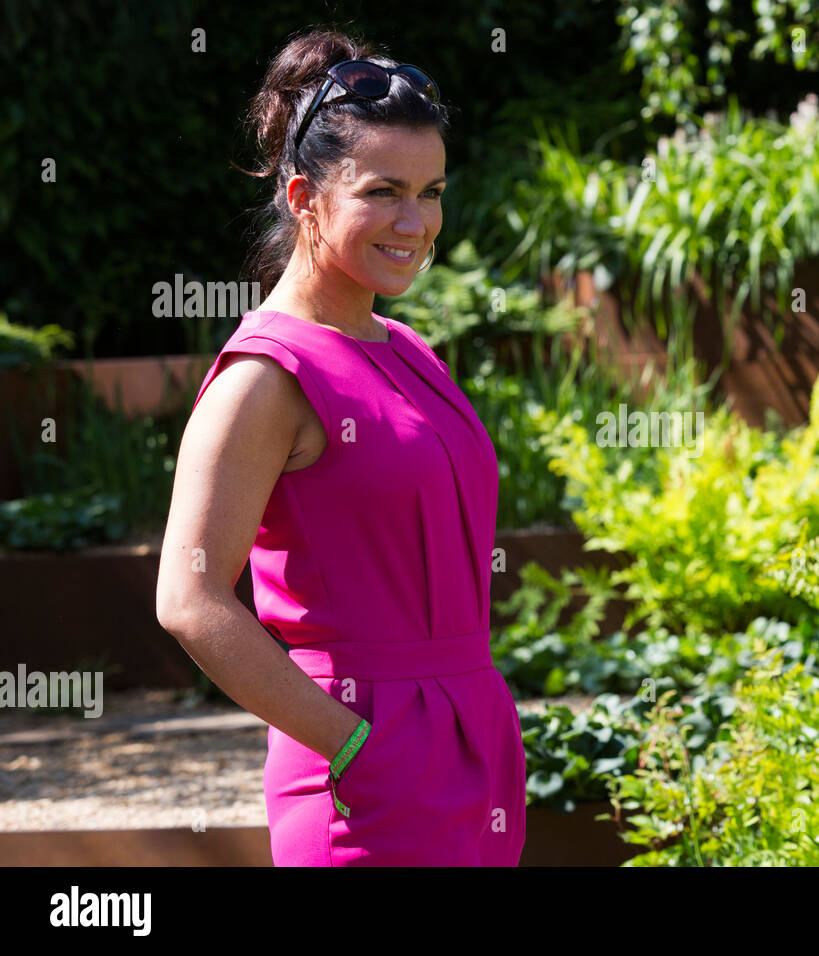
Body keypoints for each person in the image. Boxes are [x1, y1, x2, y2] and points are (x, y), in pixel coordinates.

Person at [155, 27, 526, 865]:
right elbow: (189, 597)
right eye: (382, 191)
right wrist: (356, 744)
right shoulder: (266, 375)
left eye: (431, 192)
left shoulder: (409, 349)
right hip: (364, 772)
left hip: (472, 751)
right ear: (302, 197)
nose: (414, 222)